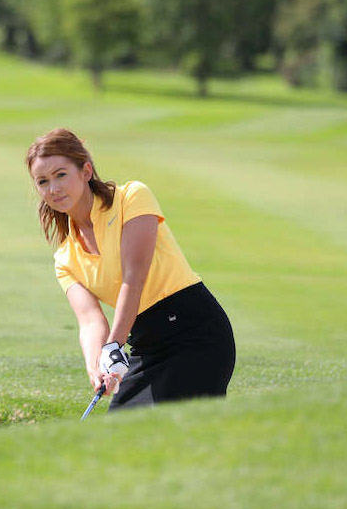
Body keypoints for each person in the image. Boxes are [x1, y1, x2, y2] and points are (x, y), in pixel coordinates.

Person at [26, 128, 236, 410]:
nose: (53, 188)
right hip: (145, 346)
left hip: (194, 334)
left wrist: (113, 345)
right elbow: (90, 321)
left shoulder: (132, 198)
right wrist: (97, 366)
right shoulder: (65, 258)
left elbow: (134, 276)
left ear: (86, 171)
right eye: (43, 181)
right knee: (122, 436)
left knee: (170, 436)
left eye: (61, 174)